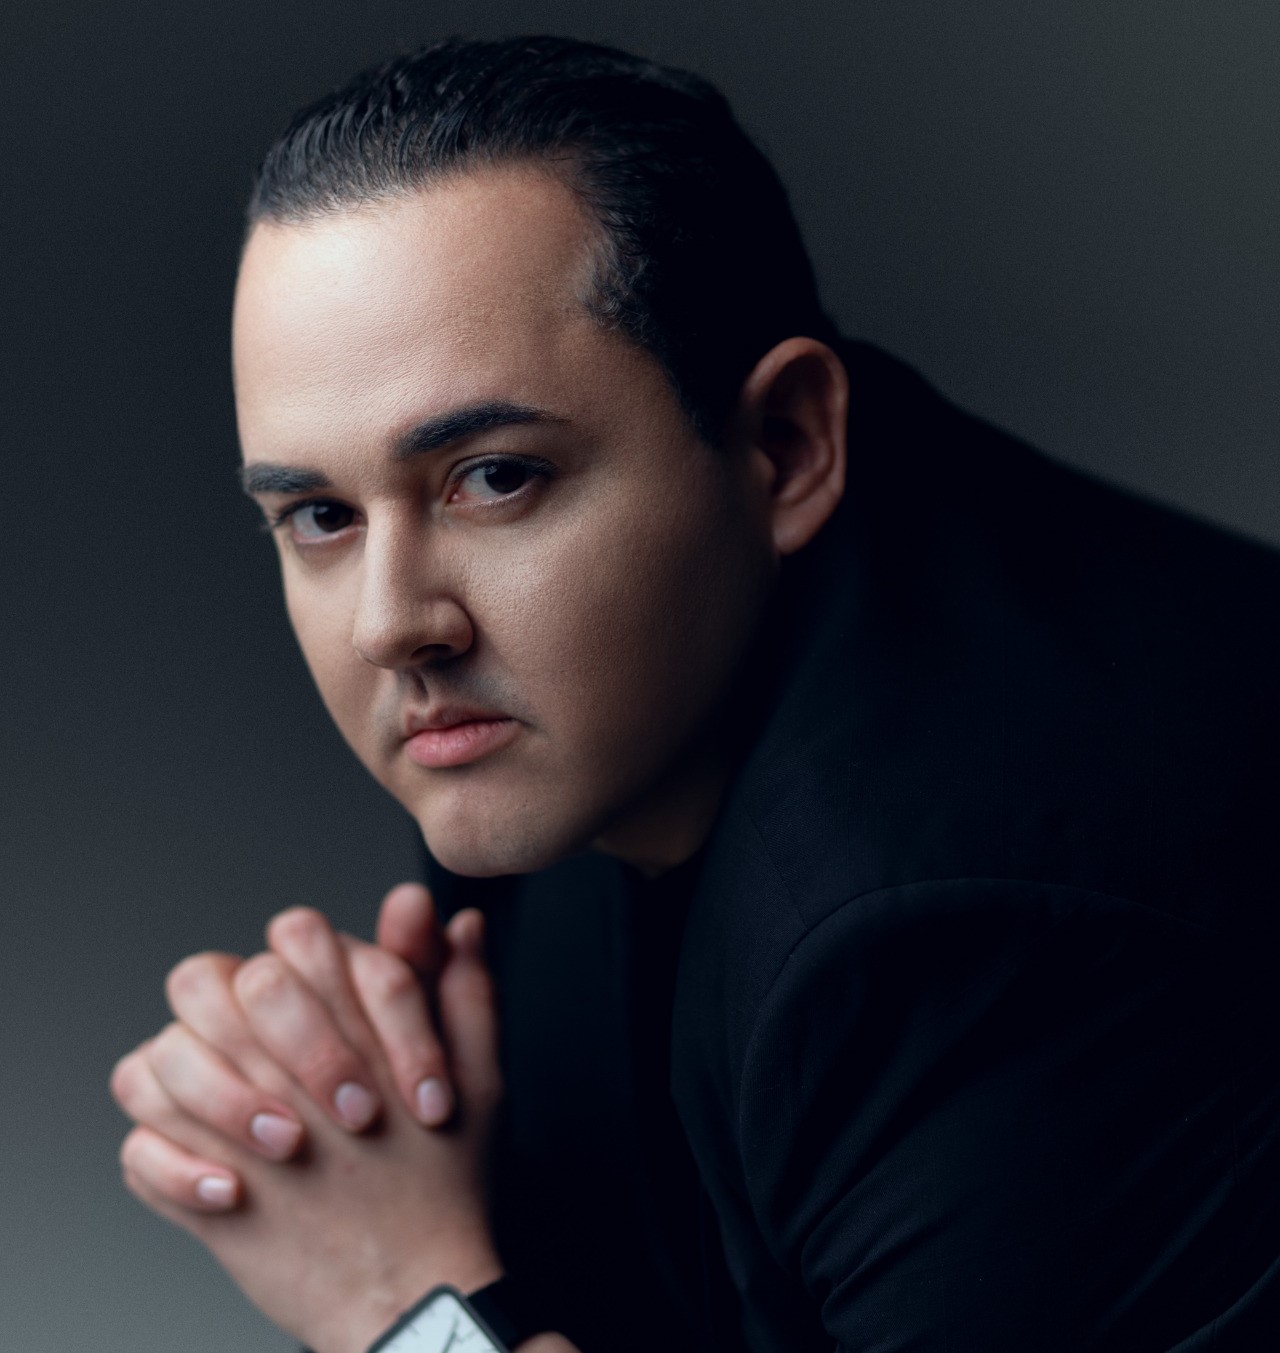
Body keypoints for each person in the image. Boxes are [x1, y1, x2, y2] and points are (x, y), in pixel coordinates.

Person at [109, 34, 1280, 1353]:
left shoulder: (962, 938)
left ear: (786, 445)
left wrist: (397, 1299)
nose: (392, 625)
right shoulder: (585, 724)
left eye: (495, 478)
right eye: (321, 513)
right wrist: (361, 1126)